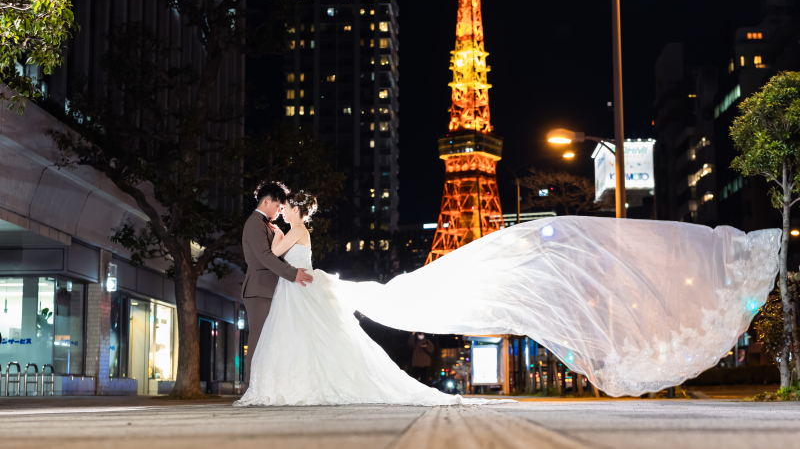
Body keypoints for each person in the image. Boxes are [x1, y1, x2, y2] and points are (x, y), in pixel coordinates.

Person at [236, 185, 781, 405]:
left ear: (289, 209)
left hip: (302, 288)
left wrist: (275, 232)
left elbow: (275, 252)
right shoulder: (287, 228)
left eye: (281, 206)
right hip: (303, 290)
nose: (278, 210)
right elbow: (276, 252)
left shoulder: (286, 229)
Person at [240, 181, 313, 385]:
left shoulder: (268, 225)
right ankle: (251, 387)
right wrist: (292, 273)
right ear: (266, 201)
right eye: (278, 206)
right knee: (258, 339)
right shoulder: (254, 223)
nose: (280, 211)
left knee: (270, 340)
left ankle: (265, 385)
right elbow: (264, 256)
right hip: (259, 289)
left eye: (283, 207)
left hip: (272, 289)